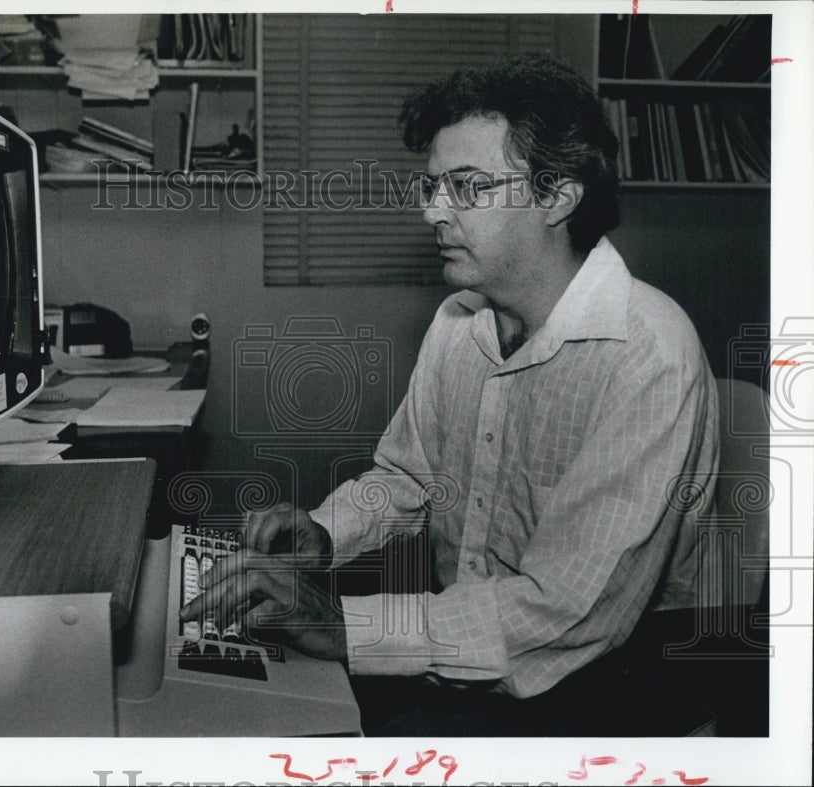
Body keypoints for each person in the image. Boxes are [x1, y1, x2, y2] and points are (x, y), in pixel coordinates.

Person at [181, 54, 720, 735]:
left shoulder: (649, 354)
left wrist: (344, 625)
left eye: (466, 187)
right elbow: (411, 476)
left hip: (608, 684)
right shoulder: (461, 321)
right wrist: (324, 533)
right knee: (254, 708)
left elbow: (565, 613)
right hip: (472, 650)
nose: (433, 212)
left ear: (558, 194)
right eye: (433, 187)